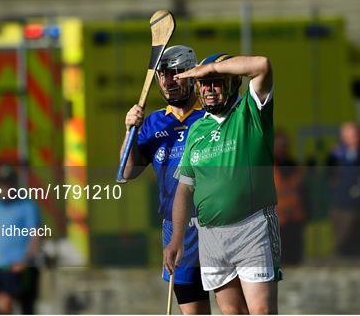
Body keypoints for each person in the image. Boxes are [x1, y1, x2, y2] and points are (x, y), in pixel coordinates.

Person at [163, 53, 281, 314]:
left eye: (216, 81)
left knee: (261, 311)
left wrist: (209, 68)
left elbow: (262, 65)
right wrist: (177, 239)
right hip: (211, 237)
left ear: (233, 83)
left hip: (252, 227)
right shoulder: (197, 130)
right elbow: (185, 188)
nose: (208, 88)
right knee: (231, 313)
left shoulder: (250, 111)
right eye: (204, 83)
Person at [120, 45, 211, 314]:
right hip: (178, 229)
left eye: (176, 73)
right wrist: (130, 131)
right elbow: (126, 172)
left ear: (192, 74)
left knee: (234, 309)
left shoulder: (210, 114)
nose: (168, 81)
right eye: (163, 74)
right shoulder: (153, 122)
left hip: (216, 223)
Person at [0, 166, 41, 314]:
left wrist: (26, 260)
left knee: (6, 303)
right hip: (0, 265)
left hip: (17, 266)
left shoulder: (27, 205)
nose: (3, 189)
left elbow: (35, 234)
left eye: (7, 185)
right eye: (1, 185)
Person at [327, 122, 360, 256]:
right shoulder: (337, 154)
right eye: (351, 135)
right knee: (342, 241)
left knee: (357, 244)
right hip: (341, 204)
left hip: (359, 204)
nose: (355, 138)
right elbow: (330, 177)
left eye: (356, 135)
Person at [273, 130, 305, 265]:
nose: (282, 148)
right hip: (277, 220)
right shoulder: (268, 166)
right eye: (279, 145)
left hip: (294, 218)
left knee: (294, 257)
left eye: (284, 145)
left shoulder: (293, 164)